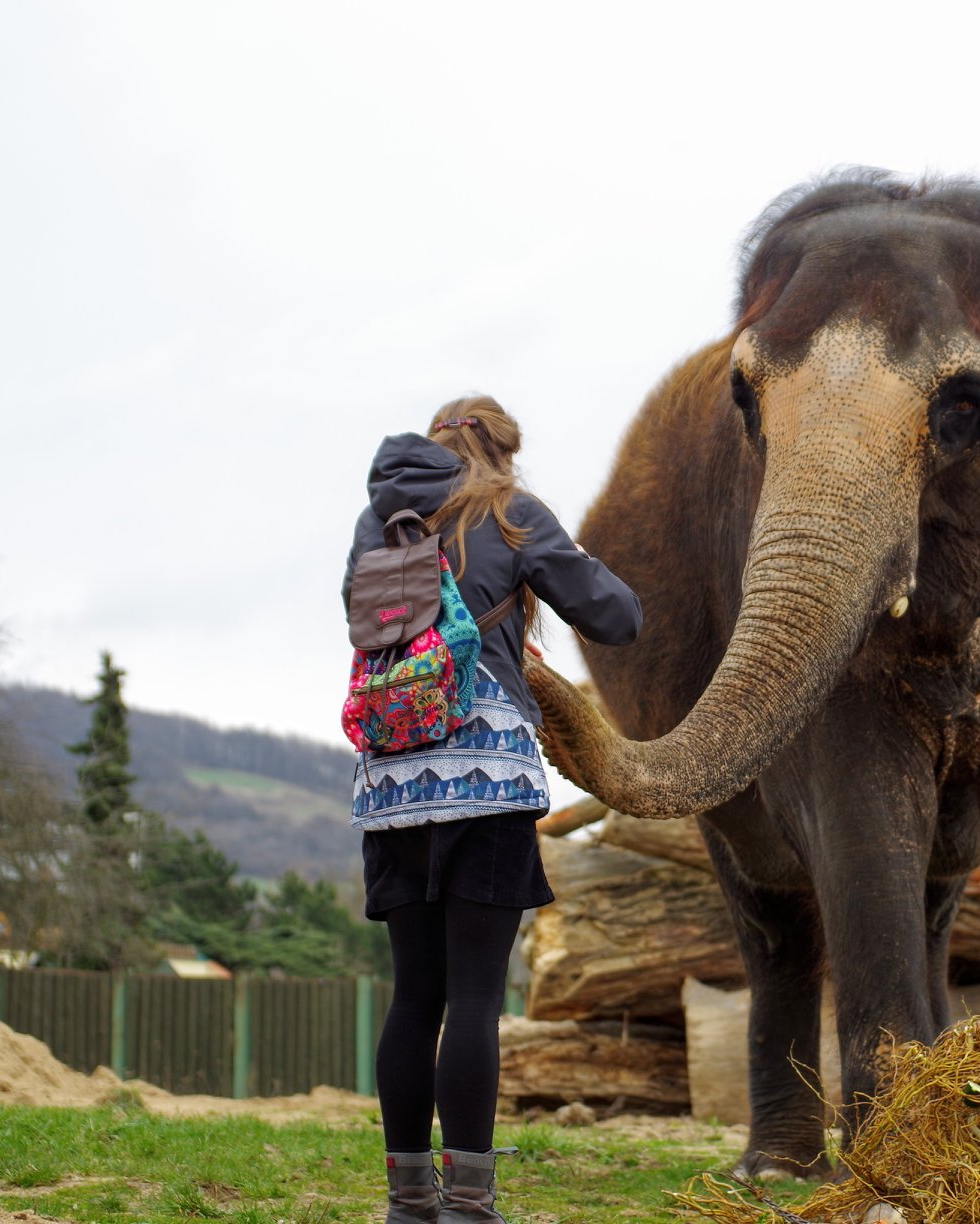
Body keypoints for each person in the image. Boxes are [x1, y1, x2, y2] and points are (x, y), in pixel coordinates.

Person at [342, 395, 642, 1224]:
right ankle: (469, 1204)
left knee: (414, 997)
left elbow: (364, 625)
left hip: (392, 781)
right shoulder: (511, 514)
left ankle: (410, 1205)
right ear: (503, 453)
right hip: (485, 779)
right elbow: (617, 617)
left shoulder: (380, 524)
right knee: (475, 998)